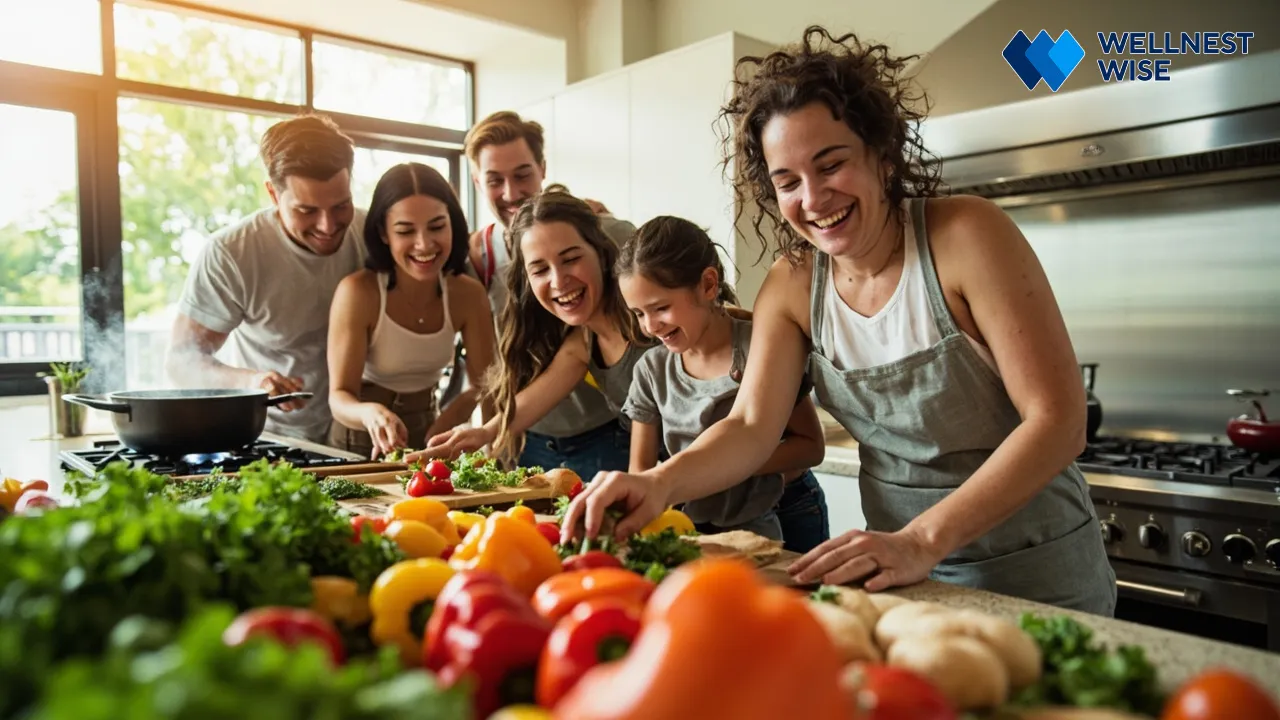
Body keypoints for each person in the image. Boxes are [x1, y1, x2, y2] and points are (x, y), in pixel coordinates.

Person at [562, 26, 1117, 615]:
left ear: (881, 155)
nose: (814, 197)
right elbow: (751, 424)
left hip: (1035, 569)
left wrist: (922, 540)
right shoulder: (794, 284)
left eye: (831, 165)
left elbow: (1057, 420)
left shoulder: (966, 236)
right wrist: (659, 482)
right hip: (902, 579)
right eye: (788, 182)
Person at [617, 216, 829, 547]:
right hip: (689, 530)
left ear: (708, 285)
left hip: (765, 524)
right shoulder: (650, 371)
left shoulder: (761, 348)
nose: (649, 326)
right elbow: (640, 474)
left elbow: (811, 446)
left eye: (659, 308)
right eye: (638, 314)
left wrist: (726, 466)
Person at [410, 190, 651, 473]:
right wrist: (484, 433)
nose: (559, 281)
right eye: (540, 269)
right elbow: (534, 399)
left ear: (600, 252)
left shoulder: (648, 321)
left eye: (571, 258)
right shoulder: (585, 341)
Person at [454, 111, 638, 475]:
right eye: (495, 180)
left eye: (522, 174)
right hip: (524, 438)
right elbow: (497, 366)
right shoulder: (478, 258)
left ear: (542, 168)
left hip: (603, 435)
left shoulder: (608, 233)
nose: (511, 192)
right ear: (477, 182)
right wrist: (492, 433)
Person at [166, 113, 365, 443]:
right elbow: (180, 362)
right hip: (272, 438)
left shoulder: (373, 232)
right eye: (307, 211)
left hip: (359, 438)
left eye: (341, 206)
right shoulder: (232, 253)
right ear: (273, 194)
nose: (328, 226)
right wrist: (252, 381)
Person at [326, 163, 496, 459]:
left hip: (430, 430)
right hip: (361, 438)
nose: (424, 244)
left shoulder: (468, 293)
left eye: (437, 227)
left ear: (452, 225)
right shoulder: (358, 292)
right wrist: (371, 414)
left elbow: (486, 383)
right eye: (405, 230)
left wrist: (449, 421)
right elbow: (339, 397)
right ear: (383, 232)